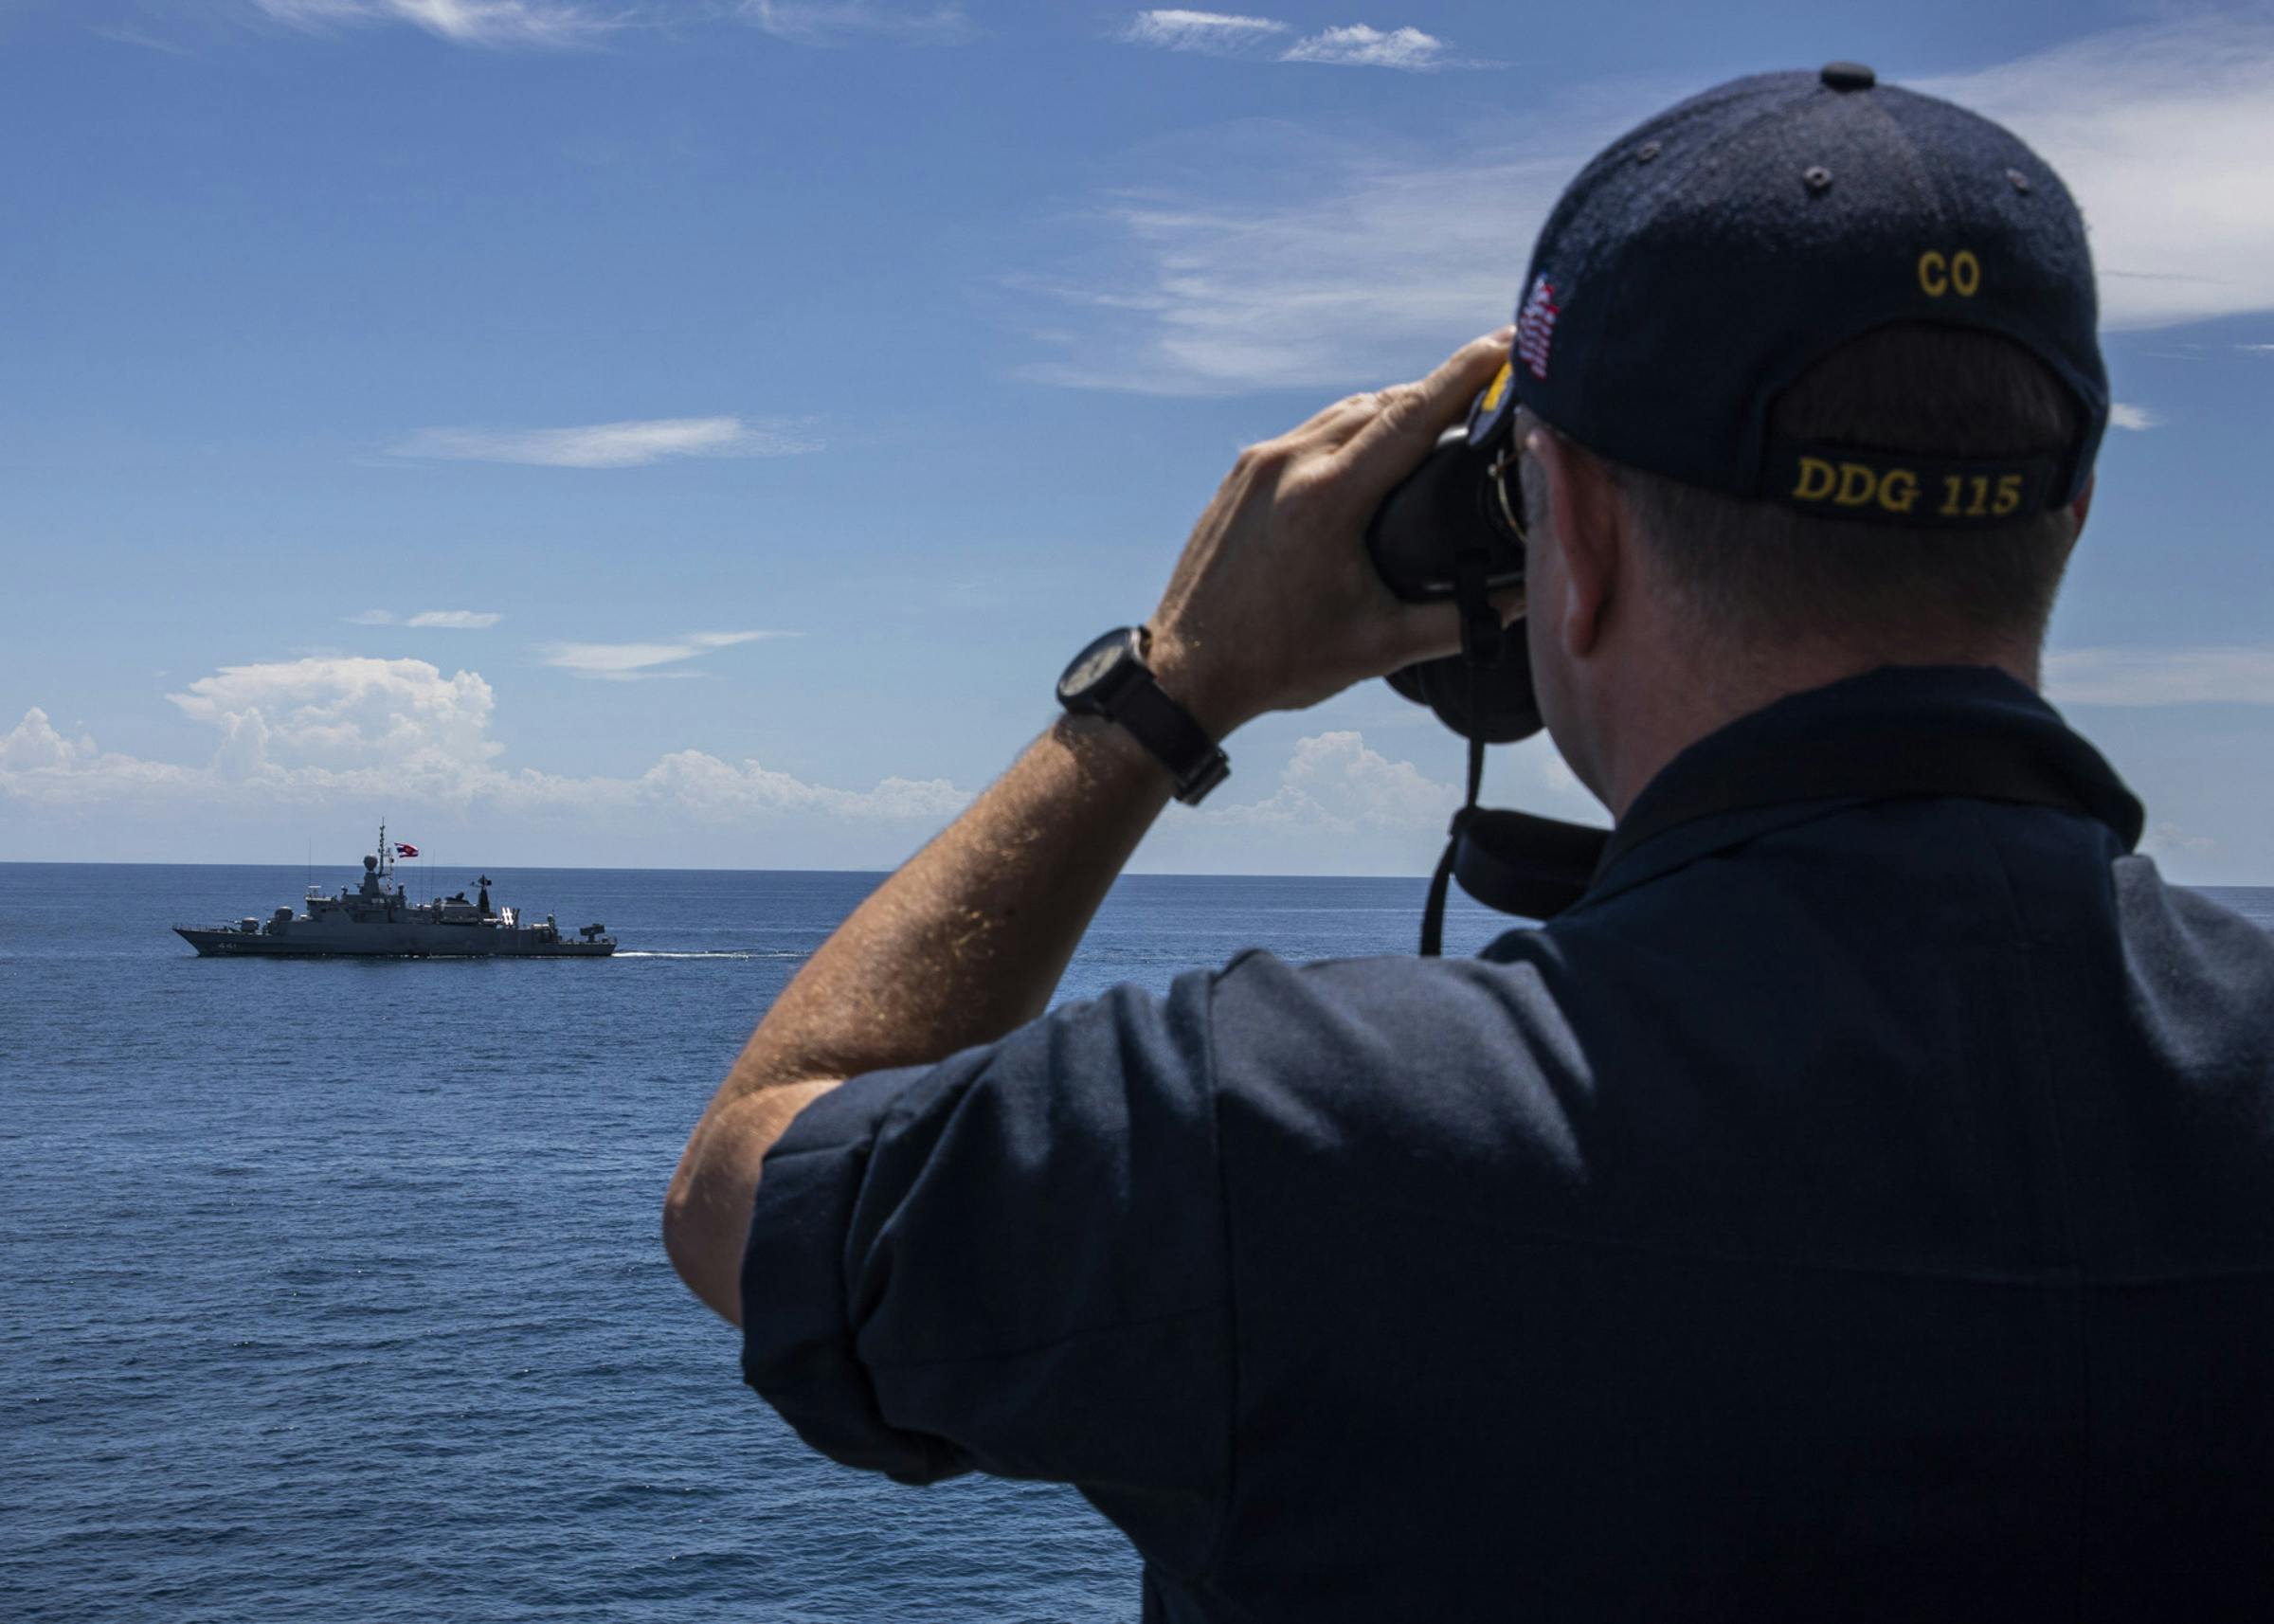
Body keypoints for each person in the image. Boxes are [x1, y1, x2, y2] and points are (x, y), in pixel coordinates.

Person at [665, 64, 2274, 1619]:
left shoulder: (1270, 1134)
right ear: (2064, 512)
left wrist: (1171, 688)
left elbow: (744, 1192)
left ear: (1560, 533)